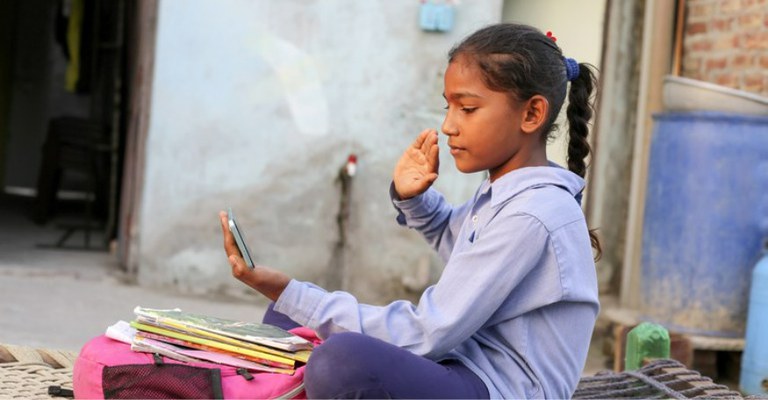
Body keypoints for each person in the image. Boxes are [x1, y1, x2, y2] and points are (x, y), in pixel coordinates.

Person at [219, 23, 600, 399]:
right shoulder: (507, 193)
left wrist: (286, 289)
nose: (448, 126)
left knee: (339, 361)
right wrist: (413, 199)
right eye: (448, 107)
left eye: (468, 108)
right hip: (461, 365)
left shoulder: (532, 213)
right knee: (288, 316)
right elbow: (457, 240)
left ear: (531, 114)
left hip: (497, 388)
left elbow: (428, 332)